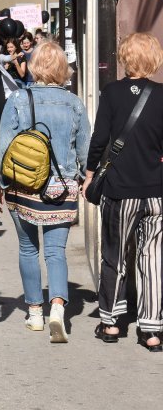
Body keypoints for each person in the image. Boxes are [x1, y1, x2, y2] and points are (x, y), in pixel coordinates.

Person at [0, 41, 89, 344]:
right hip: (61, 187)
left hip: (24, 184)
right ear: (63, 69)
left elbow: (4, 146)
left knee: (27, 249)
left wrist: (1, 184)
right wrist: (87, 179)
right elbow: (84, 150)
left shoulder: (18, 99)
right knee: (55, 251)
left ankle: (35, 312)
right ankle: (58, 308)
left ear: (34, 66)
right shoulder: (75, 104)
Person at [83, 33, 163, 351]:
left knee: (114, 256)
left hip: (120, 190)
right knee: (153, 258)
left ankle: (112, 322)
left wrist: (90, 175)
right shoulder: (161, 95)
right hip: (156, 191)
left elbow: (100, 138)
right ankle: (152, 329)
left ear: (125, 59)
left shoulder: (113, 92)